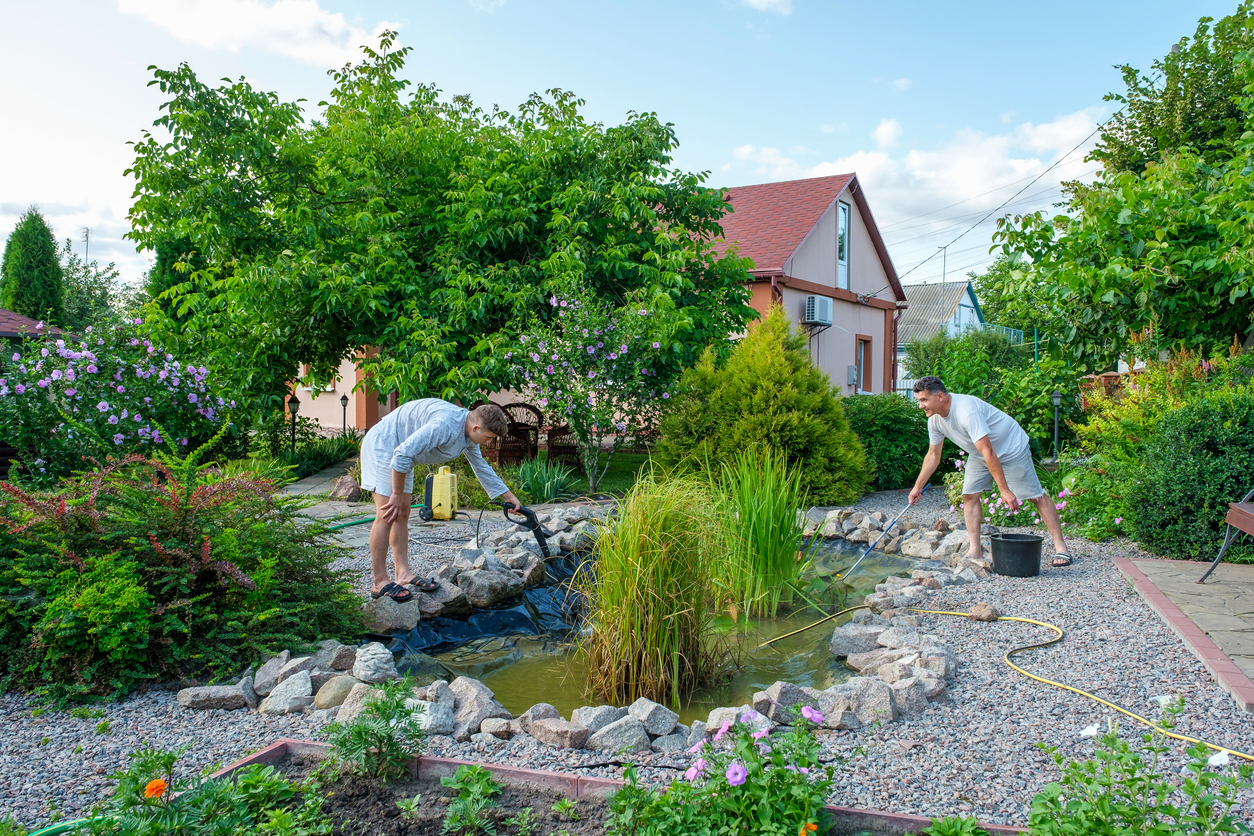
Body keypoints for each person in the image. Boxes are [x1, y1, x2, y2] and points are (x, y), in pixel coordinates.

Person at [359, 399, 522, 601]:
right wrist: (396, 493)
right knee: (387, 513)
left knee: (402, 513)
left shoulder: (467, 433)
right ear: (476, 427)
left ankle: (403, 574)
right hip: (384, 446)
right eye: (489, 437)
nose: (489, 443)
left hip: (402, 453)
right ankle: (379, 582)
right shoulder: (445, 425)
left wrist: (509, 496)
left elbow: (480, 466)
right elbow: (401, 454)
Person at [906, 376, 1074, 567]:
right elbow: (933, 456)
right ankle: (975, 551)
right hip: (980, 454)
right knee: (969, 496)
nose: (921, 406)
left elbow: (989, 451)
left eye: (924, 400)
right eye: (919, 400)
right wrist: (916, 487)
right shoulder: (935, 420)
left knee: (1035, 496)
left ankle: (1061, 547)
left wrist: (1004, 490)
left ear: (940, 396)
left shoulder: (966, 411)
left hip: (1011, 448)